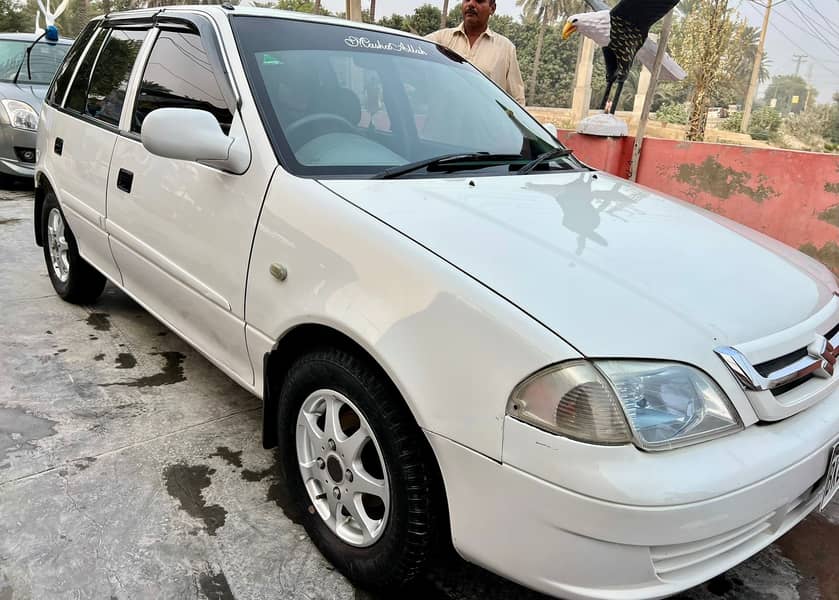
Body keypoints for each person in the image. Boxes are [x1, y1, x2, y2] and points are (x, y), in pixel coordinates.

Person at [426, 0, 526, 106]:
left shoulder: (506, 49)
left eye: (479, 0)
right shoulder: (439, 40)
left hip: (484, 122)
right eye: (467, 0)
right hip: (441, 121)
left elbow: (517, 101)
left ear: (492, 8)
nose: (471, 4)